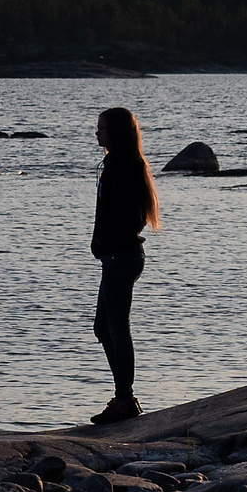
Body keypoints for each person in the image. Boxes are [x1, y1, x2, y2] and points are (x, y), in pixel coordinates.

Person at [88, 105, 162, 424]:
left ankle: (124, 399)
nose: (97, 132)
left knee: (116, 327)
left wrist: (107, 241)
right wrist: (100, 242)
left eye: (102, 127)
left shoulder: (123, 166)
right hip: (116, 256)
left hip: (122, 256)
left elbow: (133, 217)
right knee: (104, 327)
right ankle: (124, 396)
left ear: (115, 132)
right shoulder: (116, 164)